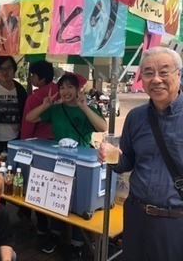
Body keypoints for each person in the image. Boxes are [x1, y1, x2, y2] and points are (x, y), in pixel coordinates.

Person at [98, 47, 183, 261]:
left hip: (174, 220)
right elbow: (126, 163)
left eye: (164, 72)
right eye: (148, 73)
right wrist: (110, 156)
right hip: (136, 213)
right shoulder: (136, 117)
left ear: (179, 75)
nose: (156, 79)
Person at [26, 72, 107, 260]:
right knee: (57, 196)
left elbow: (102, 127)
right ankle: (55, 234)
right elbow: (30, 118)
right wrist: (44, 105)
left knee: (79, 202)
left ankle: (77, 244)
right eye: (62, 87)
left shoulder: (87, 108)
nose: (65, 91)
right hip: (58, 161)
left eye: (70, 87)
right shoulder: (55, 109)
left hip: (83, 163)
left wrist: (84, 107)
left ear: (78, 90)